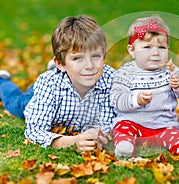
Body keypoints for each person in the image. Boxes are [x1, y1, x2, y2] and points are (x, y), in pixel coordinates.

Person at [1, 15, 115, 152]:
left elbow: (112, 122)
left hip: (65, 78)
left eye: (95, 56)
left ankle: (65, 67)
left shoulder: (112, 80)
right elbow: (35, 131)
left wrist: (101, 135)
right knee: (14, 103)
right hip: (40, 96)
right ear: (60, 64)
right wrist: (73, 141)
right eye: (78, 58)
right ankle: (2, 81)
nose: (89, 66)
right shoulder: (48, 84)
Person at [110, 15, 179, 161]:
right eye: (147, 47)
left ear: (168, 49)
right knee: (122, 126)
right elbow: (116, 99)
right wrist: (136, 99)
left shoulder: (170, 71)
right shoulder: (125, 72)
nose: (155, 52)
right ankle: (124, 147)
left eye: (161, 47)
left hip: (163, 126)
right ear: (132, 50)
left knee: (175, 136)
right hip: (133, 123)